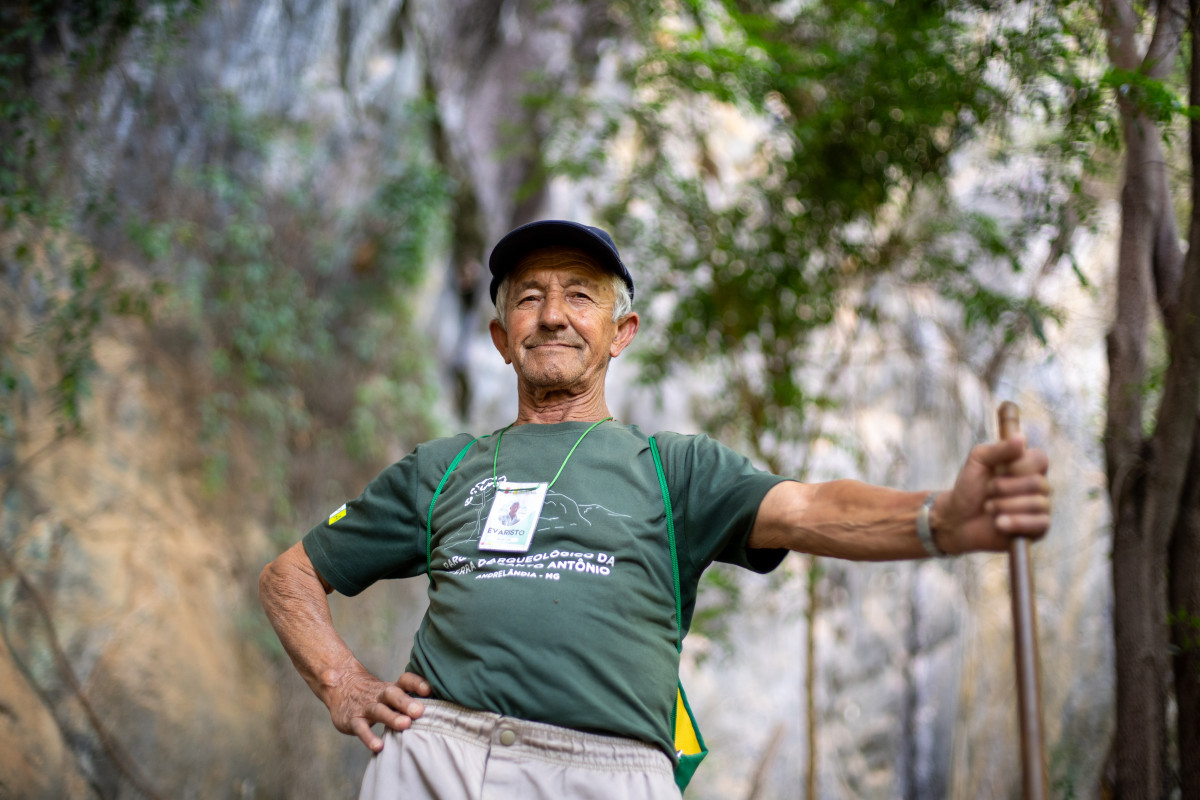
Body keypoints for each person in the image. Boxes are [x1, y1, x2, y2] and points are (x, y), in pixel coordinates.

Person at [259, 219, 1051, 799]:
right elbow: (290, 576)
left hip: (603, 773)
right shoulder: (445, 466)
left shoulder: (673, 468)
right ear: (502, 338)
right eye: (529, 298)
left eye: (579, 295)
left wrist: (940, 519)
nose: (554, 314)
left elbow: (811, 507)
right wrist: (343, 681)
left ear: (620, 331)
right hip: (437, 758)